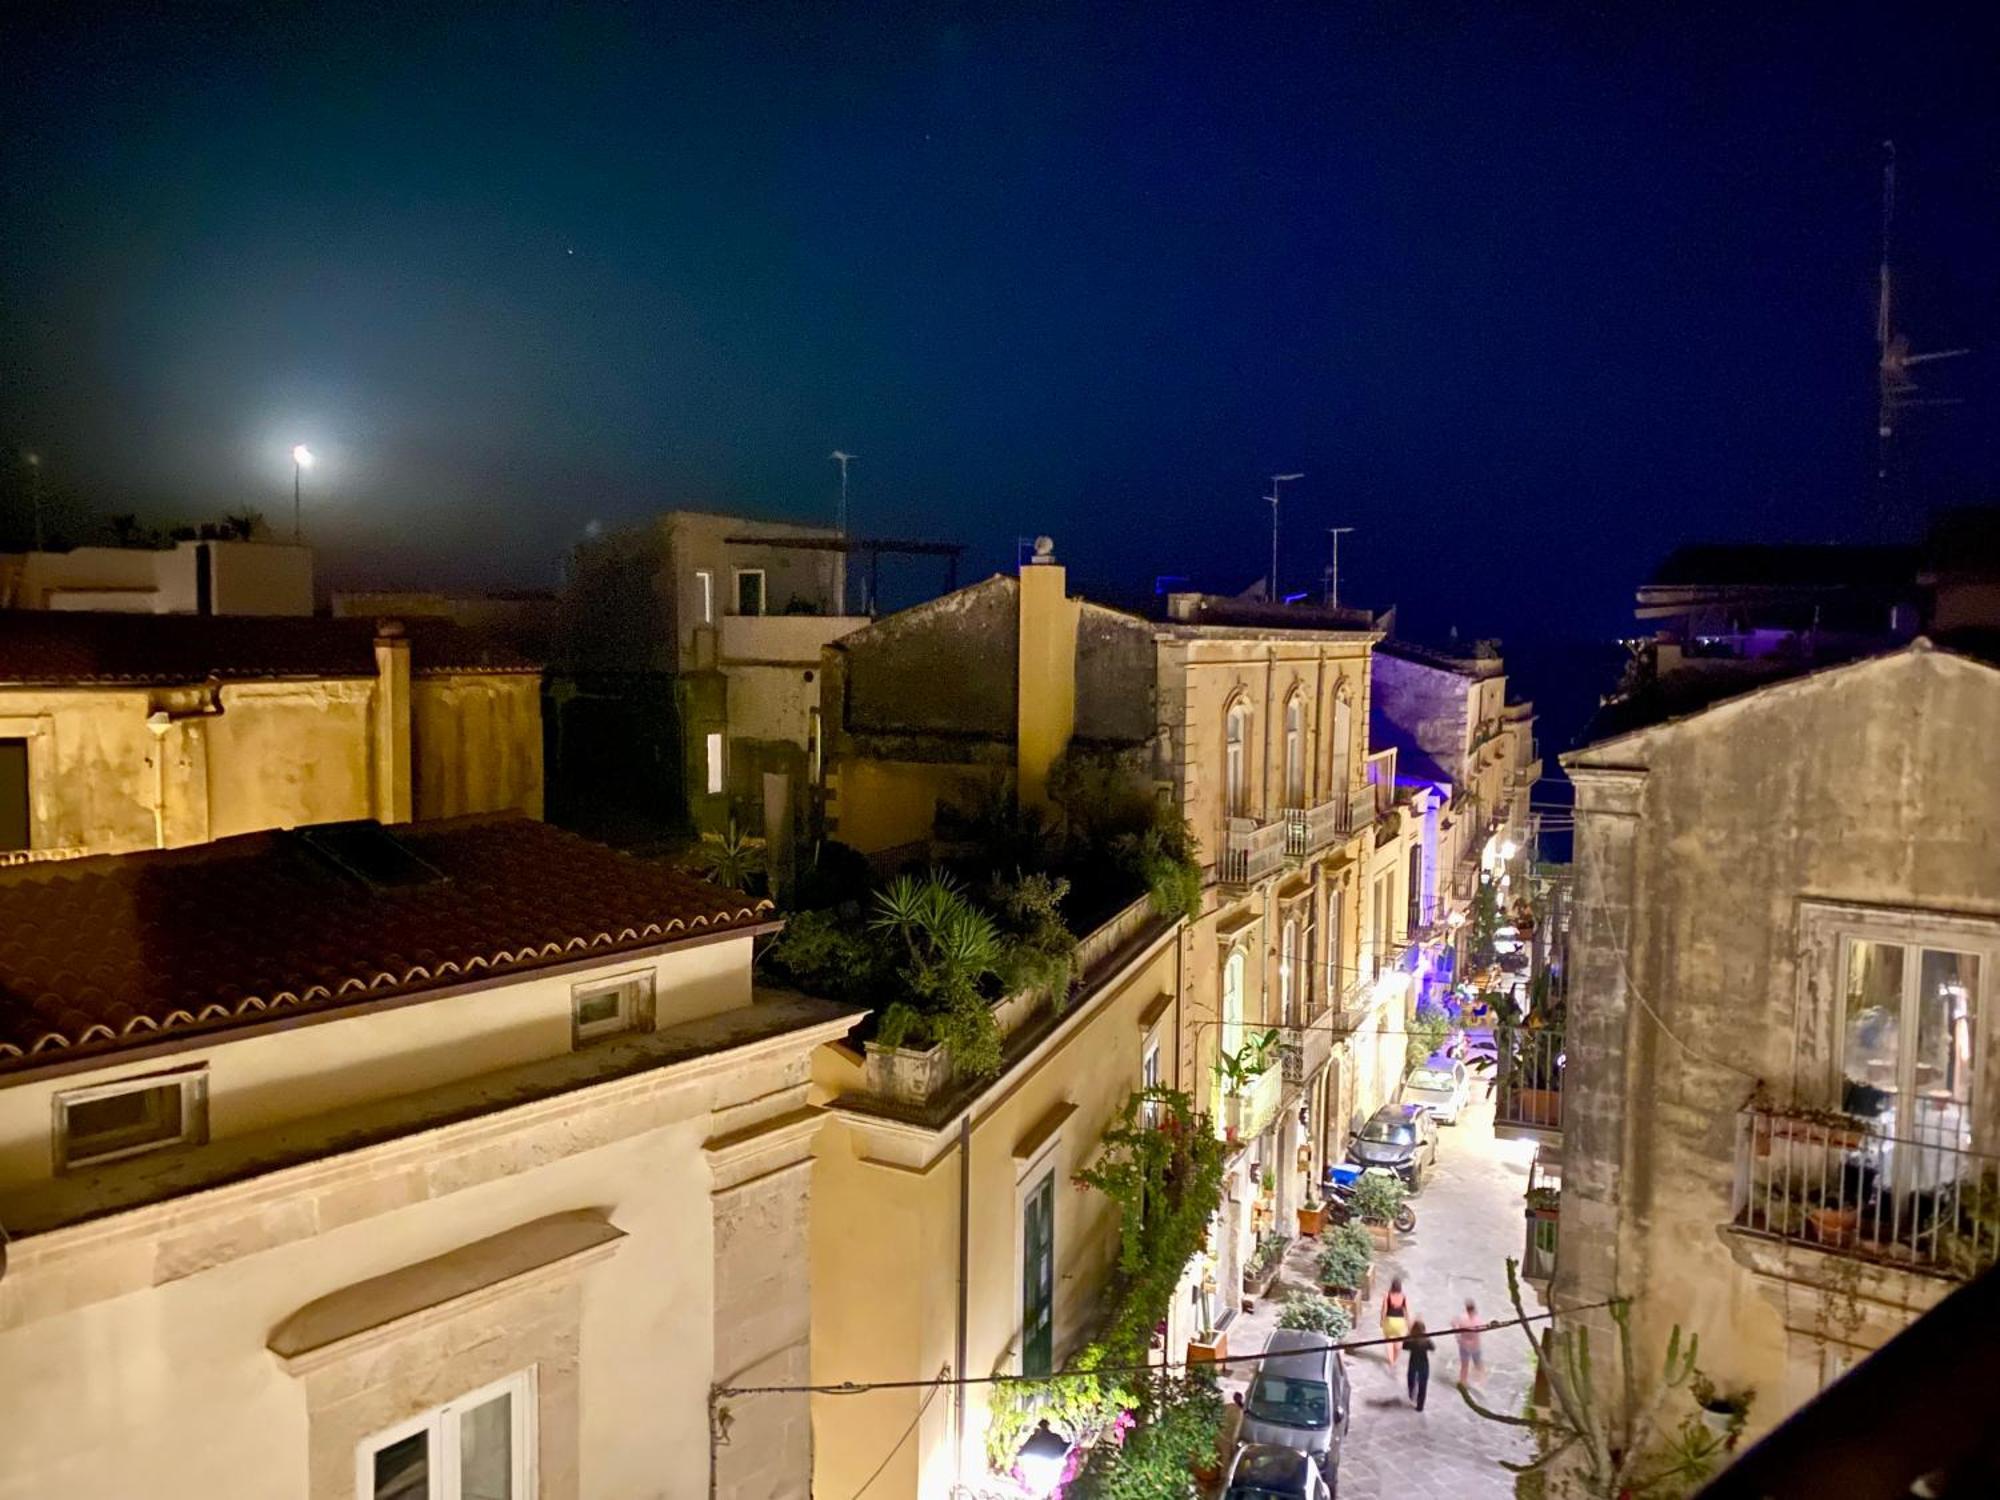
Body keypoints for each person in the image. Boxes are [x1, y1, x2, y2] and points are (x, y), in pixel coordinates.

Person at [1452, 1299, 1486, 1389]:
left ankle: (1463, 1381)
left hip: (1464, 1345)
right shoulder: (1478, 1319)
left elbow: (1454, 1325)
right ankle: (1480, 1381)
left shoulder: (1462, 1318)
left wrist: (1458, 1339)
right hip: (1475, 1345)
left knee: (1464, 1365)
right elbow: (1482, 1329)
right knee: (1478, 1363)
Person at [1404, 1319, 1436, 1411]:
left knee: (1411, 1380)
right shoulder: (1426, 1340)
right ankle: (1420, 1406)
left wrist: (1408, 1336)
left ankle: (1411, 1394)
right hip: (1423, 1364)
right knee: (1423, 1385)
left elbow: (1404, 1346)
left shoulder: (1411, 1340)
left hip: (1413, 1363)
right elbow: (1433, 1348)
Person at [1381, 1277, 1410, 1369]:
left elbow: (1384, 1309)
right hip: (1400, 1322)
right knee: (1398, 1344)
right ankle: (1395, 1361)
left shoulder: (1387, 1295)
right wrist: (1408, 1323)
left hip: (1389, 1321)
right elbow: (1407, 1311)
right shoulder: (1404, 1296)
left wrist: (1382, 1320)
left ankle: (1391, 1363)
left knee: (1389, 1342)